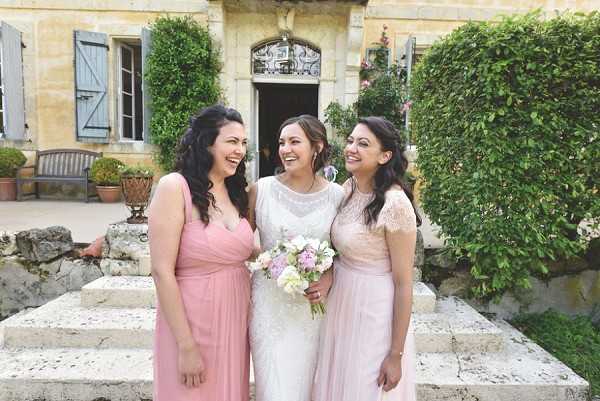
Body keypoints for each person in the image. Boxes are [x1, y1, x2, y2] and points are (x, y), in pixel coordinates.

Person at [149, 104, 253, 401]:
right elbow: (161, 271)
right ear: (207, 143)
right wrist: (186, 344)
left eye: (243, 143)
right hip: (192, 323)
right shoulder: (175, 187)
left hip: (234, 323)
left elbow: (243, 251)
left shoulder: (236, 193)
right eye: (232, 142)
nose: (240, 150)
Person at [313, 116, 420, 401]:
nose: (351, 148)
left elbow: (404, 283)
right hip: (342, 302)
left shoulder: (395, 204)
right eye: (350, 141)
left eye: (363, 144)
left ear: (385, 155)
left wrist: (395, 355)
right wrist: (329, 272)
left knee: (362, 388)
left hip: (375, 310)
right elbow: (339, 249)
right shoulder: (348, 189)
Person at [248, 115, 345, 401]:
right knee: (273, 387)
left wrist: (329, 276)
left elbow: (346, 250)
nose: (285, 149)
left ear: (317, 146)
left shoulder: (337, 196)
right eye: (281, 142)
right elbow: (238, 241)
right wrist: (268, 260)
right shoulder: (260, 189)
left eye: (294, 142)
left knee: (306, 387)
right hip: (268, 306)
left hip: (312, 310)